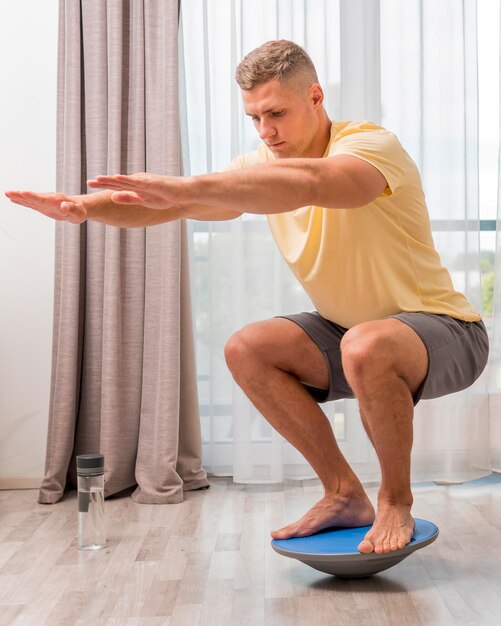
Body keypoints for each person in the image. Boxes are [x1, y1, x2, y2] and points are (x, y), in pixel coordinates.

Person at [6, 40, 488, 555]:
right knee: (248, 348)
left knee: (367, 344)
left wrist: (190, 186)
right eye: (254, 118)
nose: (266, 131)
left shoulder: (369, 145)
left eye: (276, 113)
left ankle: (395, 500)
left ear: (316, 96)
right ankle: (344, 493)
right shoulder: (260, 164)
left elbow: (315, 183)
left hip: (447, 332)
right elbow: (166, 206)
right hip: (351, 335)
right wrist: (86, 207)